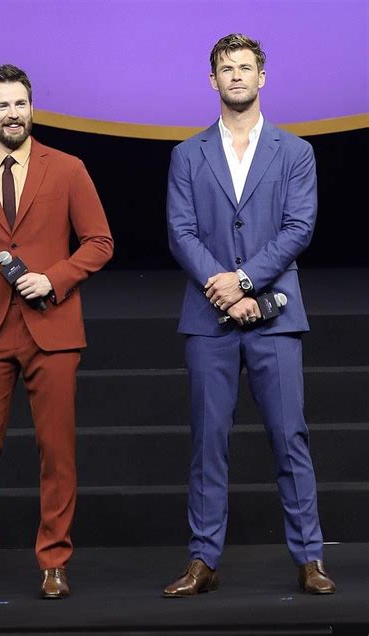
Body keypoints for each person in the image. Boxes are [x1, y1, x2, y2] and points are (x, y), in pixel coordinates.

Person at [164, 34, 335, 597]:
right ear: (212, 81)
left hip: (275, 317)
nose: (236, 75)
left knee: (290, 439)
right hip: (208, 319)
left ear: (263, 78)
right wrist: (226, 291)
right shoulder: (187, 154)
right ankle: (202, 560)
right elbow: (180, 232)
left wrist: (243, 281)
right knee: (207, 442)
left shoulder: (295, 152)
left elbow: (299, 229)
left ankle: (310, 558)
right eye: (225, 68)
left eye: (245, 67)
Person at [0, 64, 113, 600]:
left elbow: (99, 242)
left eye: (21, 104)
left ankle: (53, 564)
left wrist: (52, 278)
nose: (14, 114)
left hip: (51, 328)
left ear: (32, 107)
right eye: (3, 106)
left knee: (56, 453)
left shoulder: (68, 168)